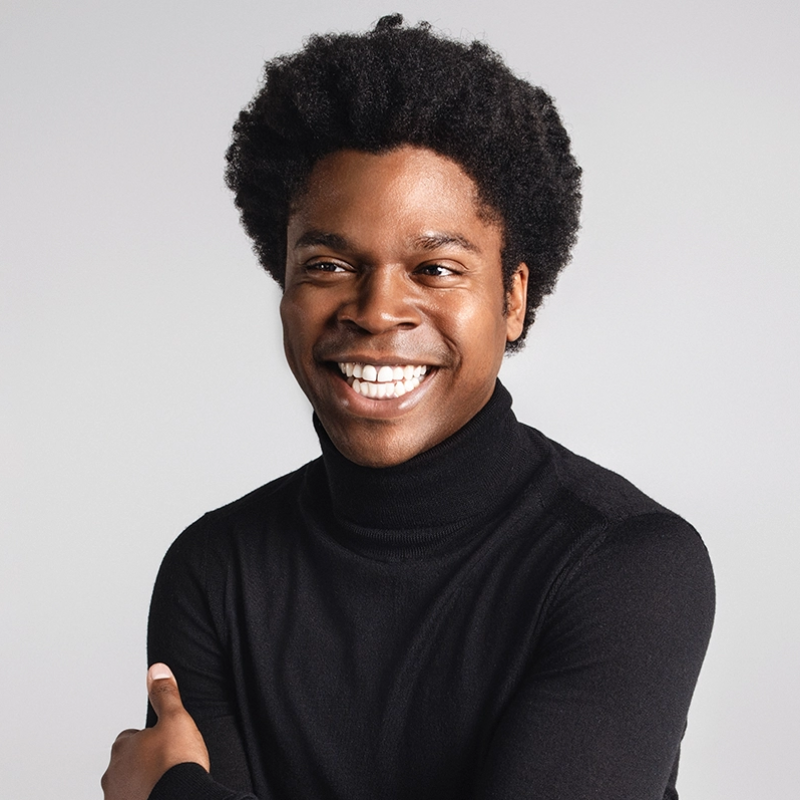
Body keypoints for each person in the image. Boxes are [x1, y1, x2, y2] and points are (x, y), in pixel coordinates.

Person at [102, 14, 714, 800]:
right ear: (282, 284)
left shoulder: (629, 564)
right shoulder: (216, 570)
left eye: (434, 267)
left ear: (514, 297)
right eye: (326, 262)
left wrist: (171, 795)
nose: (376, 308)